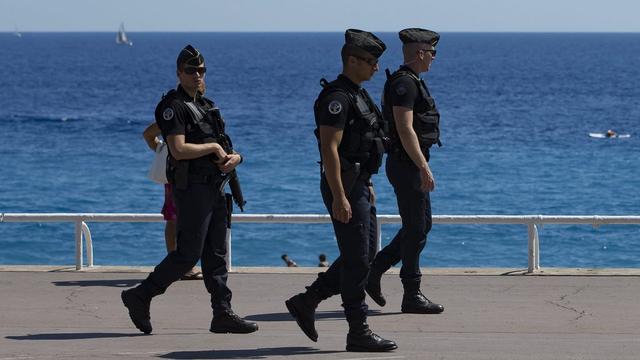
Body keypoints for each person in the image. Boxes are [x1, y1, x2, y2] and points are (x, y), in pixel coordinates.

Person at [121, 45, 257, 335]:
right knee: (187, 254)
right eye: (191, 70)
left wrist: (236, 157)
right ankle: (140, 295)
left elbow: (225, 144)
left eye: (201, 70)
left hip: (216, 187)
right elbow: (179, 149)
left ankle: (222, 313)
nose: (197, 75)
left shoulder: (207, 106)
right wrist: (214, 148)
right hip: (192, 189)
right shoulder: (174, 107)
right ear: (178, 73)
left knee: (216, 254)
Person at [285, 29, 397, 352]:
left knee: (361, 256)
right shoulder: (337, 98)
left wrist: (368, 183)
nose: (376, 67)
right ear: (352, 60)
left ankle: (307, 301)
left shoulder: (359, 94)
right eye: (371, 61)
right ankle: (357, 330)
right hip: (344, 185)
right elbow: (329, 150)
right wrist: (339, 195)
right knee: (358, 259)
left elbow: (362, 146)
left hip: (359, 184)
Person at [365, 28, 445, 315]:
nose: (435, 58)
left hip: (411, 162)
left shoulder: (412, 81)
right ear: (420, 53)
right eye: (432, 53)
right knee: (417, 227)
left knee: (420, 226)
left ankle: (376, 271)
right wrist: (423, 167)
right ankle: (410, 292)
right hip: (407, 164)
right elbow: (404, 128)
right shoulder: (405, 84)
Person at [143, 122, 203, 281]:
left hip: (179, 172)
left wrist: (161, 149)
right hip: (181, 174)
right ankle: (181, 266)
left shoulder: (172, 115)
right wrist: (162, 150)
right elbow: (149, 134)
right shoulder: (177, 115)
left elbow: (148, 135)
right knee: (178, 219)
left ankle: (176, 265)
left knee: (175, 219)